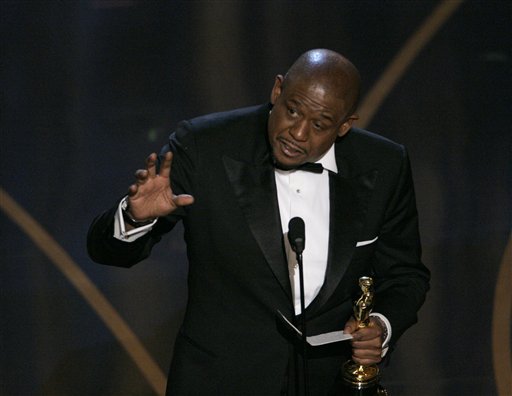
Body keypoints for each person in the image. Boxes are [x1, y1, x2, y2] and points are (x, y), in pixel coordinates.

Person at [87, 48, 430, 395]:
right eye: (292, 110)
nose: (297, 132)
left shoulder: (385, 164)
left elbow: (405, 275)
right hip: (221, 382)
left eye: (319, 124)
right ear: (277, 91)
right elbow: (109, 253)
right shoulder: (205, 146)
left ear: (344, 126)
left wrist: (381, 328)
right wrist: (134, 217)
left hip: (329, 384)